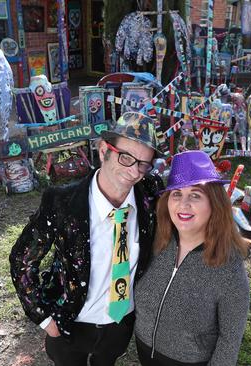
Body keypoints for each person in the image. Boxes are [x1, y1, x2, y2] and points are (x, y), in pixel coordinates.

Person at [9, 111, 164, 366]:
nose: (134, 171)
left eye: (143, 164)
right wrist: (44, 319)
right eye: (126, 157)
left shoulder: (149, 195)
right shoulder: (62, 203)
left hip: (119, 325)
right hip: (70, 324)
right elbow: (22, 261)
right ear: (104, 150)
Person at [134, 150, 250, 366]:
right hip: (144, 352)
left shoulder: (228, 264)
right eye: (176, 193)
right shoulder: (156, 240)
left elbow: (230, 340)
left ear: (214, 203)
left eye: (195, 195)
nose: (183, 204)